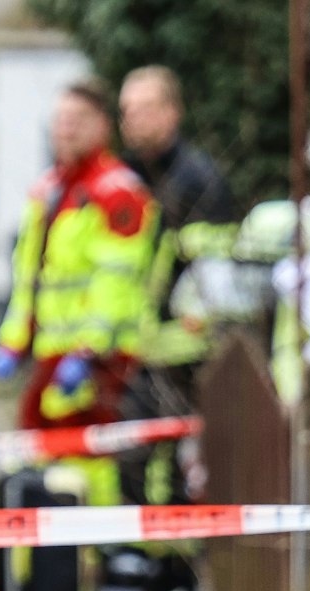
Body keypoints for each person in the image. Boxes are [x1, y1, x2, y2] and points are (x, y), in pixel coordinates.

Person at [0, 79, 156, 430]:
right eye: (61, 119)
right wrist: (12, 341)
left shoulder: (118, 192)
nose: (67, 129)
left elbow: (117, 281)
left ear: (103, 126)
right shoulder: (48, 189)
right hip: (51, 354)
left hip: (99, 361)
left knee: (90, 467)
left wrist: (88, 351)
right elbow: (29, 277)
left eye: (78, 119)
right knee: (40, 461)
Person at [117, 65, 236, 373]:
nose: (134, 119)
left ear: (172, 112)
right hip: (131, 352)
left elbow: (216, 269)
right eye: (127, 110)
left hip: (186, 354)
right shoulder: (124, 180)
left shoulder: (198, 180)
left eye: (146, 108)